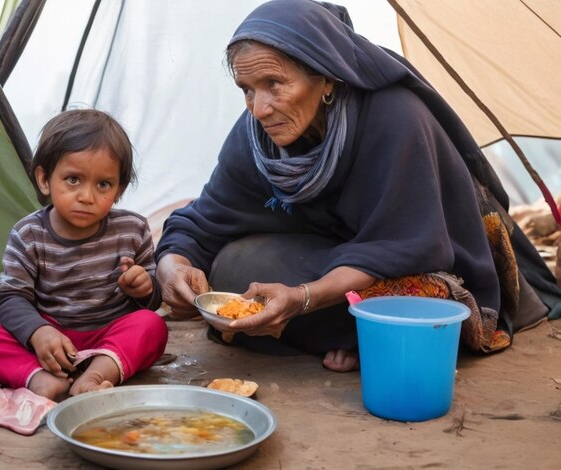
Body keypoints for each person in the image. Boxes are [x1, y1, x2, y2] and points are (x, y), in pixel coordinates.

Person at [154, 0, 561, 372]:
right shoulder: (257, 136)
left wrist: (304, 298)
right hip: (338, 260)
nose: (260, 108)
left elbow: (409, 246)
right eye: (247, 90)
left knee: (408, 309)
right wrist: (173, 266)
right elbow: (204, 220)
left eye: (274, 84)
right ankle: (354, 337)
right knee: (232, 268)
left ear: (327, 78)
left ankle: (354, 334)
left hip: (427, 270)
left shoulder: (395, 117)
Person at [0, 109, 168, 400]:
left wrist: (144, 287)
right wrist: (38, 332)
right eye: (73, 179)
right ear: (45, 180)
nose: (86, 196)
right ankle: (41, 379)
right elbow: (11, 297)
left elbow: (152, 301)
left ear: (119, 191)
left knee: (152, 326)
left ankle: (96, 376)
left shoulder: (132, 229)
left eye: (103, 185)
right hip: (49, 340)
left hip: (107, 337)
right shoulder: (28, 234)